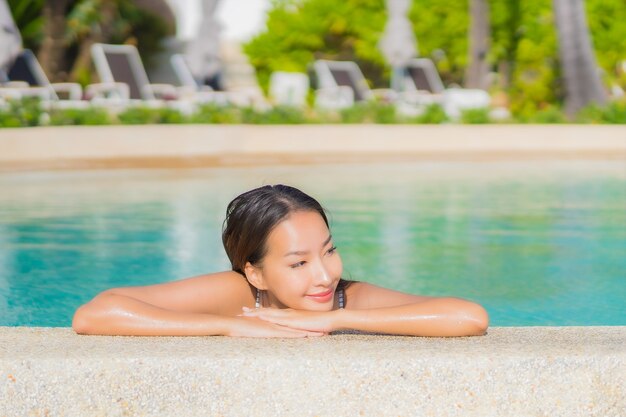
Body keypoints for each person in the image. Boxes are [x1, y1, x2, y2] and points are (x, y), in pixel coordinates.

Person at [72, 184, 489, 337]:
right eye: (298, 263)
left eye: (329, 251)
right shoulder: (239, 293)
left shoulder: (347, 299)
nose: (324, 275)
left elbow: (469, 317)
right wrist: (230, 326)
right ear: (256, 272)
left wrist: (334, 320)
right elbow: (95, 313)